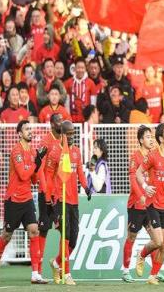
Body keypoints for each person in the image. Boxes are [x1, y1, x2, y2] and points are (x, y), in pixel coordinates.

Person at [0, 120, 48, 285]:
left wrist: (39, 163)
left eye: (31, 128)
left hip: (27, 198)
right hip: (13, 199)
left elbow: (34, 180)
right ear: (19, 134)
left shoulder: (33, 151)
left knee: (34, 231)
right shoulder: (16, 150)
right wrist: (35, 163)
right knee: (6, 235)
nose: (30, 131)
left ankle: (35, 273)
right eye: (26, 129)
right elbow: (23, 175)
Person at [135, 123, 164, 285]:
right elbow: (138, 173)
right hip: (153, 203)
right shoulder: (152, 156)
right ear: (160, 138)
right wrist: (145, 186)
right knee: (158, 242)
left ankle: (153, 275)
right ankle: (141, 255)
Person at [48, 120, 90, 285]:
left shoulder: (77, 152)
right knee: (65, 235)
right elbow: (50, 176)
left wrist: (86, 187)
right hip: (61, 199)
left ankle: (56, 262)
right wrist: (50, 199)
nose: (72, 136)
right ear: (62, 134)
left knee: (74, 238)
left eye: (73, 133)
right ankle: (66, 273)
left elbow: (80, 173)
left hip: (73, 200)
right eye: (69, 134)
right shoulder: (55, 152)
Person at [121, 125, 158, 283]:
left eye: (152, 137)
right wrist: (141, 196)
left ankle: (154, 272)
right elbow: (133, 180)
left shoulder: (153, 156)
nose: (151, 139)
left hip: (150, 205)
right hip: (136, 205)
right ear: (141, 140)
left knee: (156, 239)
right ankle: (125, 271)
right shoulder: (135, 157)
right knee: (131, 237)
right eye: (148, 137)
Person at [37, 113, 63, 277]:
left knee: (64, 229)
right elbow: (39, 168)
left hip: (59, 193)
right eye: (58, 121)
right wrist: (45, 190)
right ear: (52, 124)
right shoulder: (45, 141)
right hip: (46, 192)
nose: (61, 123)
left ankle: (58, 264)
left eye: (62, 120)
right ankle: (37, 270)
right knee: (44, 229)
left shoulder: (64, 141)